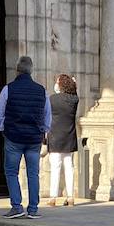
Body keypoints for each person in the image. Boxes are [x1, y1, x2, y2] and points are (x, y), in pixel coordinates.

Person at [0, 56, 51, 219]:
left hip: (14, 136)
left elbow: (0, 112)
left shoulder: (8, 89)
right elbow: (47, 115)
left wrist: (1, 128)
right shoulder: (42, 90)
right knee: (33, 173)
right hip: (34, 138)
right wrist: (44, 130)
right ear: (31, 70)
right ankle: (33, 208)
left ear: (17, 70)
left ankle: (17, 207)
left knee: (12, 171)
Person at [46, 74, 79, 207]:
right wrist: (74, 86)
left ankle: (53, 197)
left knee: (55, 167)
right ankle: (70, 197)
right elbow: (74, 95)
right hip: (69, 137)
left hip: (55, 137)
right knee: (69, 167)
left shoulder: (52, 99)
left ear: (60, 85)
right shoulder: (74, 99)